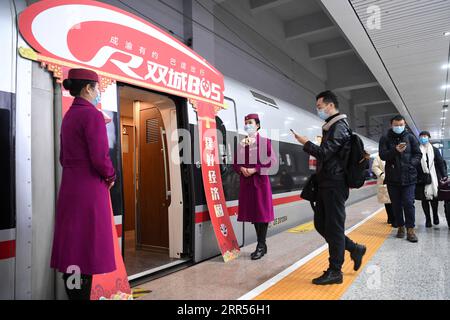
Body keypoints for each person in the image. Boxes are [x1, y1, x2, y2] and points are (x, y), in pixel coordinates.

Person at [50, 68, 116, 300]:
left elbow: (62, 157)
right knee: (86, 250)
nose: (98, 93)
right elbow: (100, 157)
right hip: (89, 191)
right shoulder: (92, 115)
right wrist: (111, 176)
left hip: (70, 189)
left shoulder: (69, 116)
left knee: (73, 250)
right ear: (88, 88)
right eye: (97, 88)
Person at [293, 90, 366, 285]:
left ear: (330, 106)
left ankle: (336, 271)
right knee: (321, 224)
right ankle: (354, 248)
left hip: (335, 184)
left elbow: (325, 153)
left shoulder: (339, 127)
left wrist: (305, 143)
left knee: (333, 228)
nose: (318, 110)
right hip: (327, 183)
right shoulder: (331, 127)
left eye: (319, 107)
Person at [233, 113, 277, 260]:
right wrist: (241, 169)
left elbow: (271, 163)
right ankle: (262, 245)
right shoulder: (242, 143)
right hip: (247, 185)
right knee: (253, 215)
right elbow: (235, 163)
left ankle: (260, 245)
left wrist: (255, 169)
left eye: (250, 122)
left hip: (260, 184)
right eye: (246, 122)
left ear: (257, 125)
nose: (247, 124)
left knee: (261, 216)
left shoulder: (265, 142)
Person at [379, 115, 422, 242]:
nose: (399, 127)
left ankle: (410, 230)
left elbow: (418, 154)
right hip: (393, 178)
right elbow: (382, 155)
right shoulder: (385, 138)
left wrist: (411, 164)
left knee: (409, 203)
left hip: (409, 177)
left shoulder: (410, 138)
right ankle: (400, 226)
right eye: (396, 125)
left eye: (401, 124)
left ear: (405, 124)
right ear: (391, 125)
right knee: (396, 205)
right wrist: (395, 150)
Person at [415, 131, 446, 227]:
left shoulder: (435, 150)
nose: (423, 138)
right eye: (421, 136)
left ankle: (435, 215)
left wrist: (444, 175)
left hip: (434, 177)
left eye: (425, 136)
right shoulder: (417, 150)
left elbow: (441, 163)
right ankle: (428, 219)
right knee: (424, 200)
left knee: (434, 198)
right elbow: (415, 164)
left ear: (429, 137)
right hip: (421, 178)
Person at [372, 154, 396, 226]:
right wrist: (382, 174)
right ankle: (390, 218)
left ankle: (395, 218)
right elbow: (374, 167)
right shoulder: (379, 157)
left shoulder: (394, 154)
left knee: (394, 201)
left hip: (395, 180)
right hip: (384, 180)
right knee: (387, 200)